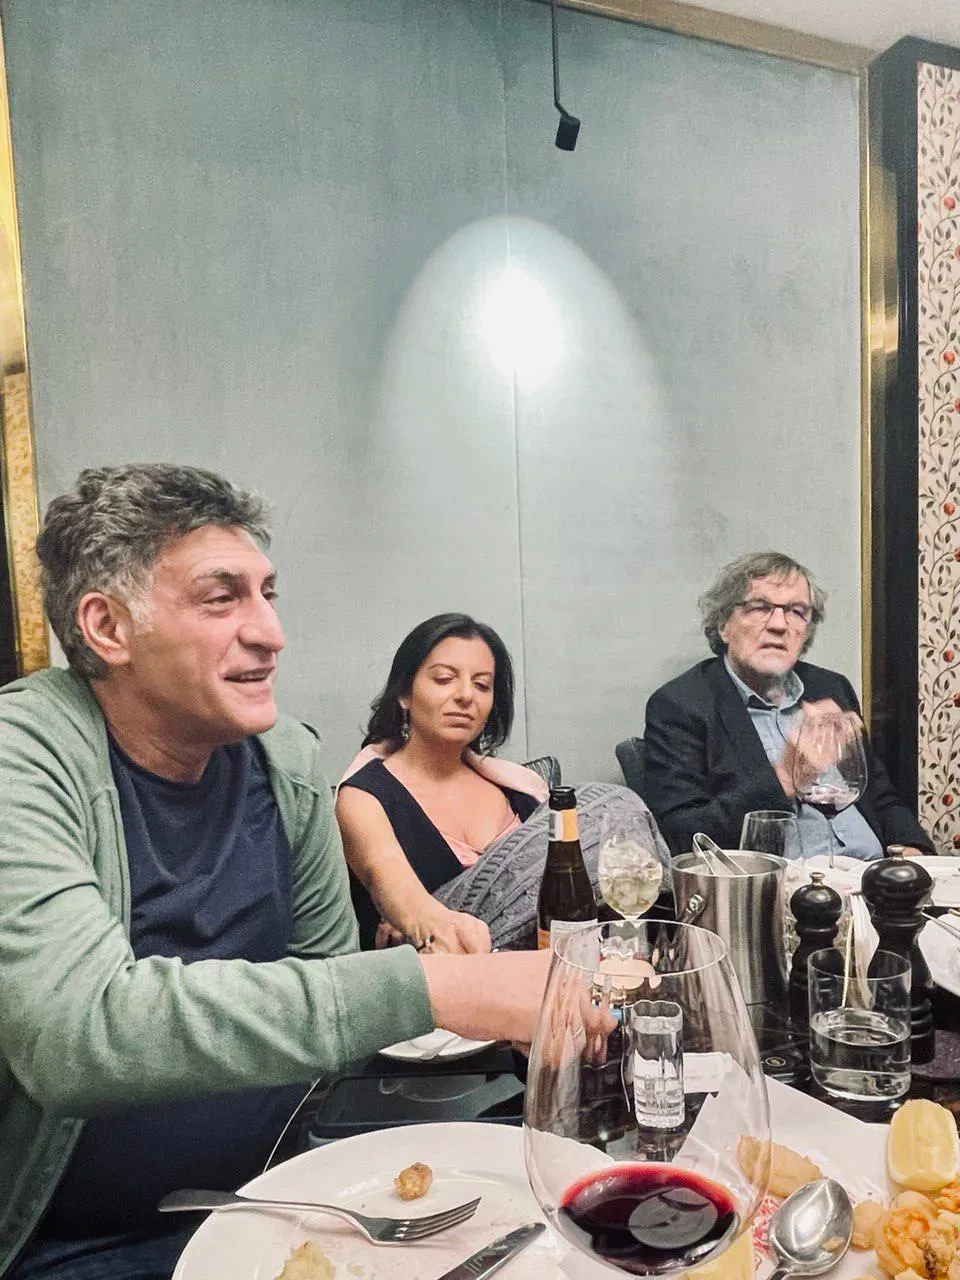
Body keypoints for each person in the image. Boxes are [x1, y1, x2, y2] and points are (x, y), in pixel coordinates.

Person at [0, 465, 550, 1280]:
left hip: (288, 1195)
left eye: (267, 594)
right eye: (222, 598)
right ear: (107, 626)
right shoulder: (23, 756)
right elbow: (78, 1035)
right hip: (80, 1245)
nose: (271, 632)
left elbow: (326, 981)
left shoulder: (285, 758)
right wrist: (435, 986)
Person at [643, 551, 935, 859]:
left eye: (796, 611)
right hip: (786, 884)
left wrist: (913, 850)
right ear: (724, 624)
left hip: (875, 876)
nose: (779, 625)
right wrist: (785, 776)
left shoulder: (830, 687)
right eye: (760, 607)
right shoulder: (681, 705)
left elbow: (878, 795)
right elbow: (685, 837)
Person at [336, 614, 549, 952]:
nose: (465, 695)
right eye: (444, 679)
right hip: (441, 973)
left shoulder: (523, 792)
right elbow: (383, 870)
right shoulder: (365, 797)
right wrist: (419, 919)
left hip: (548, 968)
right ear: (404, 693)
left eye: (482, 685)